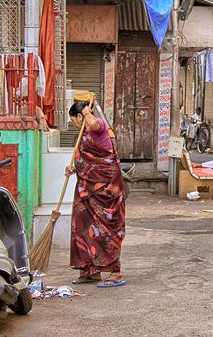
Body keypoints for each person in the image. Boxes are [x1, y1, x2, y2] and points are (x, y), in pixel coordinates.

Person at [66, 101, 127, 288]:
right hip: (87, 191)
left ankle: (115, 272)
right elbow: (85, 161)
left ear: (80, 117)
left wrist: (85, 110)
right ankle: (90, 271)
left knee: (106, 229)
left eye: (74, 120)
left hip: (106, 190)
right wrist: (73, 168)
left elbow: (92, 124)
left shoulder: (98, 126)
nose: (74, 124)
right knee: (82, 226)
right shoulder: (83, 136)